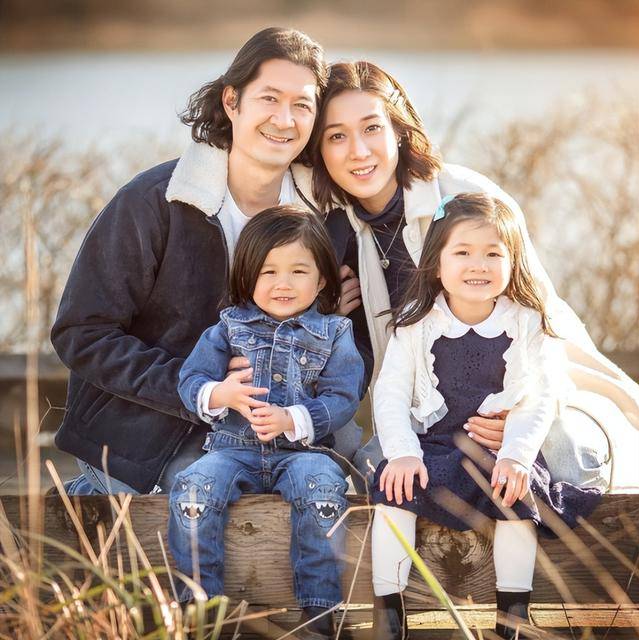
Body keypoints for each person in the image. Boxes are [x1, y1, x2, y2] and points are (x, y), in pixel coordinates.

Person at [50, 27, 366, 495]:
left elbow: (356, 345)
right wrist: (201, 387)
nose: (284, 120)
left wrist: (316, 332)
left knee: (340, 500)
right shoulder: (154, 202)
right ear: (231, 101)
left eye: (302, 104)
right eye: (269, 98)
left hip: (287, 432)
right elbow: (82, 333)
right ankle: (91, 494)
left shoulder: (330, 216)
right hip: (148, 432)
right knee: (198, 506)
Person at [308, 60, 639, 493]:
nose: (358, 150)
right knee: (373, 472)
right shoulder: (333, 231)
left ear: (399, 131)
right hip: (428, 416)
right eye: (337, 136)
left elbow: (542, 325)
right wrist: (326, 319)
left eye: (372, 128)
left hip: (520, 397)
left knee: (561, 458)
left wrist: (519, 417)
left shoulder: (466, 198)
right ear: (320, 149)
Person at [369, 193, 602, 640]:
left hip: (499, 451)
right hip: (435, 449)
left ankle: (512, 617)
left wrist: (516, 455)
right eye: (463, 252)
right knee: (393, 490)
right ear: (437, 263)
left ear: (513, 262)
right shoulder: (416, 324)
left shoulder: (527, 322)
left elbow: (536, 398)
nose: (478, 265)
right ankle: (388, 613)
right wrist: (401, 453)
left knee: (516, 496)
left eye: (493, 254)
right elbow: (391, 394)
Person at [168, 206, 363, 638]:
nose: (283, 284)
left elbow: (343, 397)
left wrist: (292, 418)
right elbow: (191, 380)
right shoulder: (228, 328)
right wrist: (222, 393)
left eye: (298, 271)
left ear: (322, 280)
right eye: (268, 271)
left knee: (322, 486)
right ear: (247, 276)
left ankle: (319, 612)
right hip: (231, 450)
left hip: (303, 452)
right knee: (193, 485)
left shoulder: (334, 332)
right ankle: (200, 608)